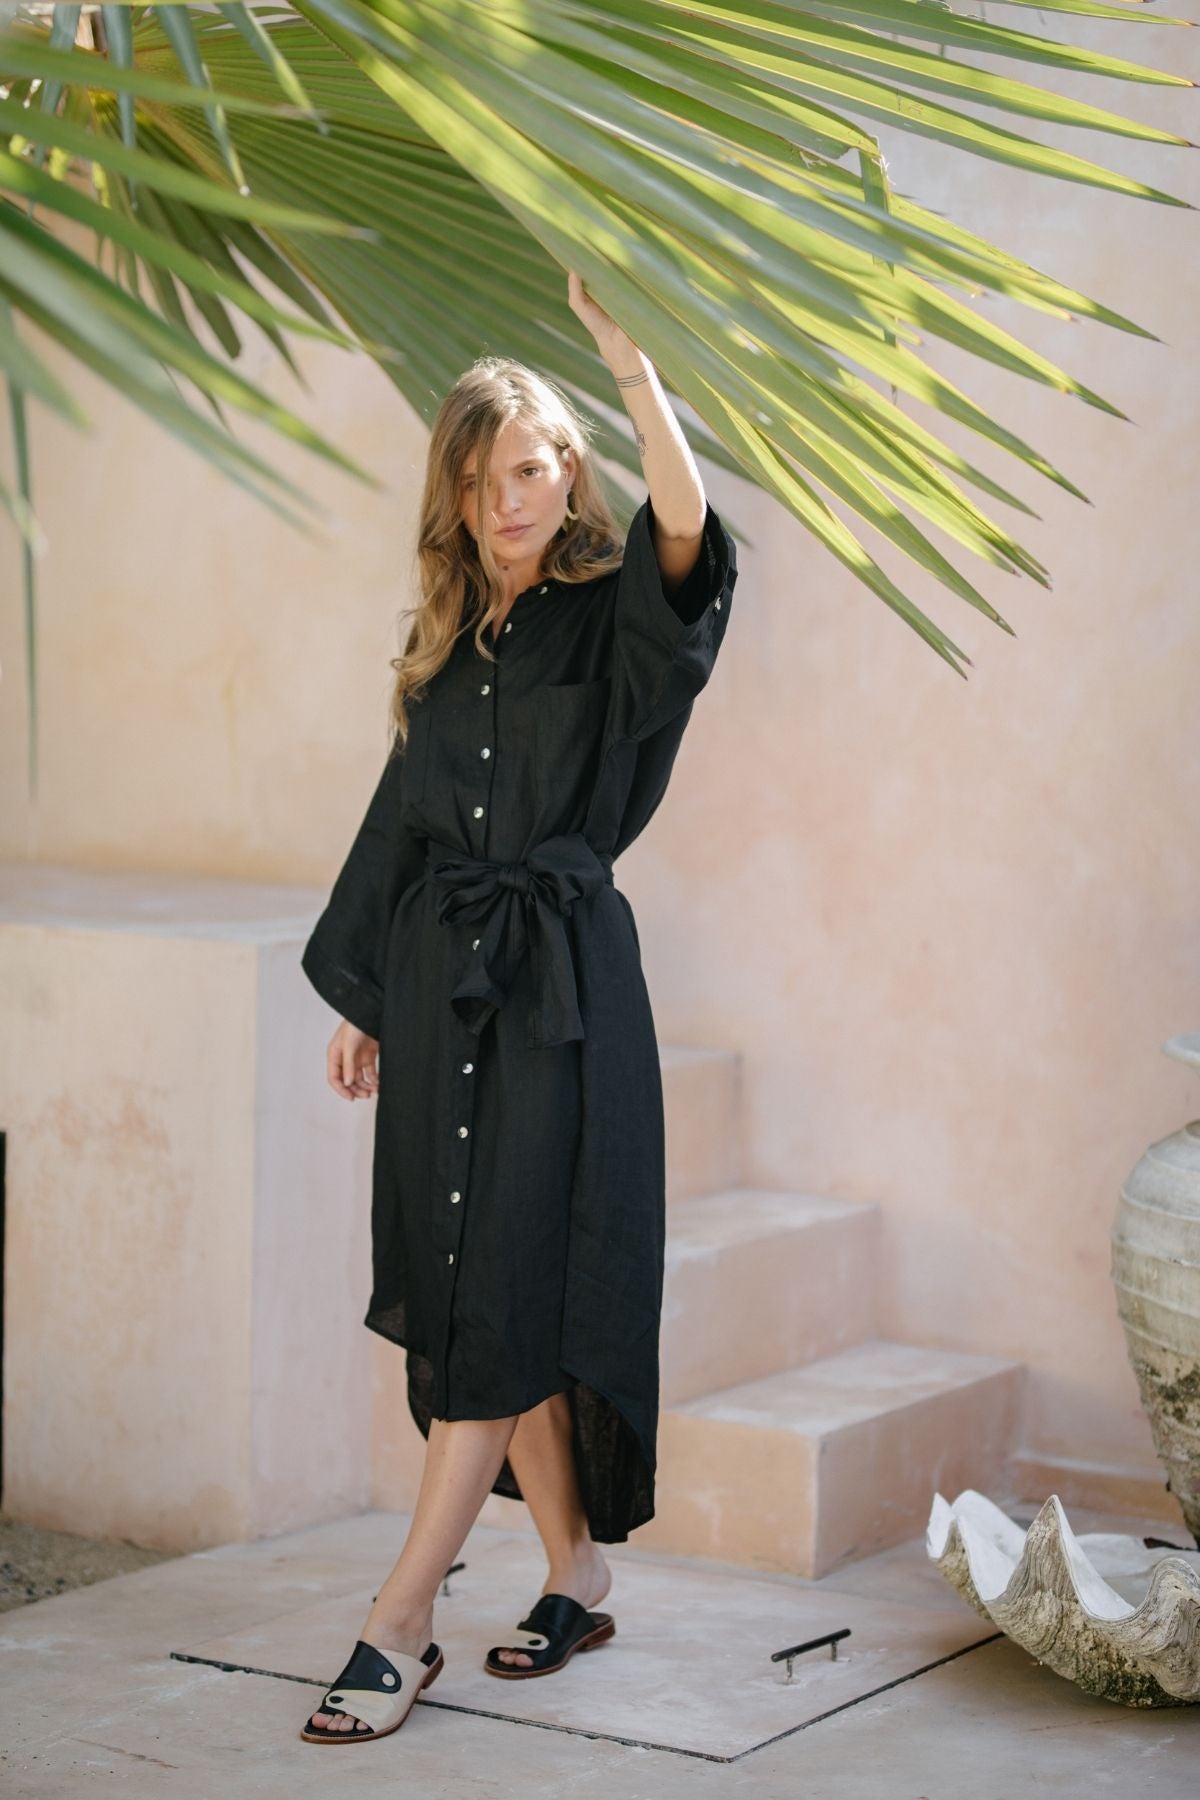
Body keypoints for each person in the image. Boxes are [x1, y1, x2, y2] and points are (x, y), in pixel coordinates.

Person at [298, 270, 739, 1744]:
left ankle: (399, 1619)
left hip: (559, 1000)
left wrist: (631, 370)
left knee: (501, 1285)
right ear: (456, 492)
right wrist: (366, 996)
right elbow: (400, 824)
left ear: (569, 471)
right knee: (488, 1278)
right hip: (442, 995)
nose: (509, 500)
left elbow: (689, 539)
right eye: (484, 478)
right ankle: (575, 1571)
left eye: (534, 469)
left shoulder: (612, 618)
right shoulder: (442, 645)